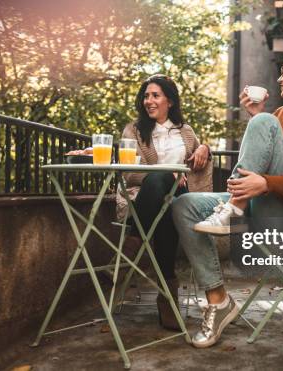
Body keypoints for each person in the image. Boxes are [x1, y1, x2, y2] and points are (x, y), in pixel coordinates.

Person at [172, 48, 283, 348]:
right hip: (255, 203)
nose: (279, 77)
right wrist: (257, 119)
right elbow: (261, 159)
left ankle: (232, 207)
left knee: (264, 122)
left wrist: (264, 183)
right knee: (183, 205)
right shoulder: (279, 115)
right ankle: (218, 299)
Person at [69, 74, 212, 330]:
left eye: (155, 95)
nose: (149, 101)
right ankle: (168, 299)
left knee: (170, 201)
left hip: (179, 198)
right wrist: (168, 174)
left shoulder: (186, 132)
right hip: (145, 196)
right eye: (146, 96)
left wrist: (205, 149)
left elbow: (199, 155)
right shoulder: (133, 130)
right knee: (162, 194)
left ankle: (127, 252)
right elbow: (130, 172)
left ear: (169, 100)